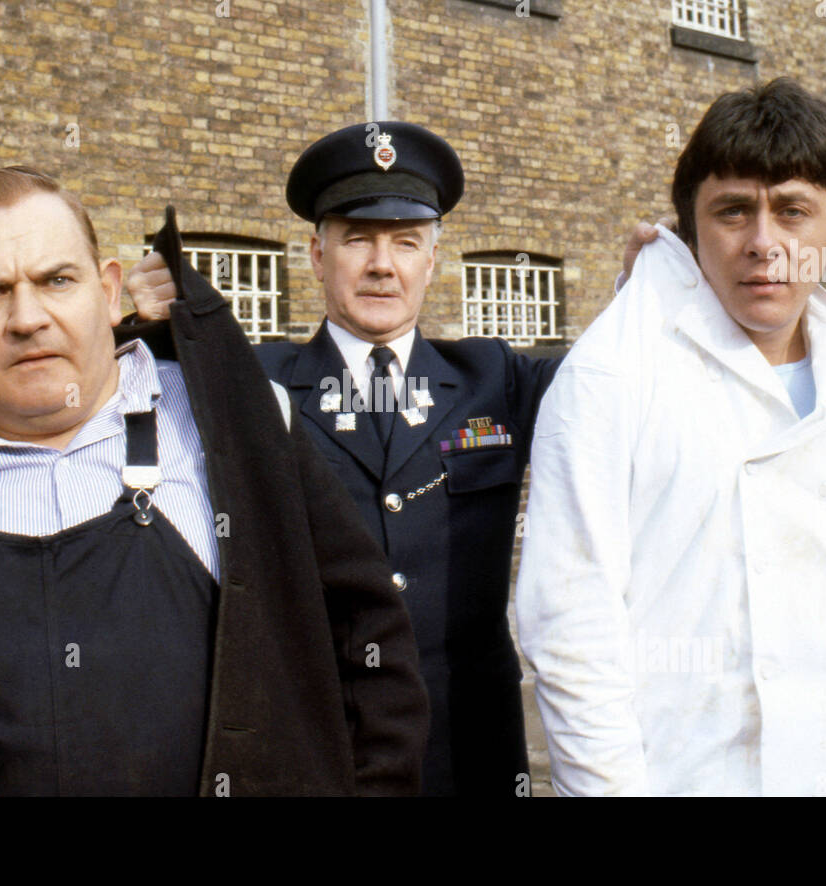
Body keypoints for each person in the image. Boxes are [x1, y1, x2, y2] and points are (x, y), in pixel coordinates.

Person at [0, 166, 429, 797]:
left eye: (56, 281)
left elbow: (371, 650)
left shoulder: (239, 427)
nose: (27, 318)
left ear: (105, 290)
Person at [515, 78, 826, 796]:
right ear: (690, 226)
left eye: (794, 211)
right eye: (733, 211)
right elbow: (570, 624)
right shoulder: (611, 371)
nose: (764, 244)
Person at [128, 122, 564, 795]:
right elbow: (110, 399)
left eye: (406, 243)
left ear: (434, 261)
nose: (381, 264)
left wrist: (656, 279)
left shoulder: (494, 378)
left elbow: (621, 383)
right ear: (316, 255)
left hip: (472, 751)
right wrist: (138, 322)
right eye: (357, 239)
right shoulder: (256, 380)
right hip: (319, 750)